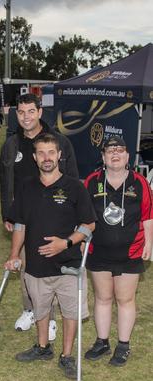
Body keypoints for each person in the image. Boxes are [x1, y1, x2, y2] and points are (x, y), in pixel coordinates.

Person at [6, 132, 96, 380]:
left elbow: (89, 225)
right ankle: (42, 347)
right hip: (36, 264)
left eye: (51, 152)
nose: (47, 157)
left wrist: (65, 243)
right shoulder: (26, 186)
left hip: (69, 265)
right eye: (41, 153)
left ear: (59, 155)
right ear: (35, 157)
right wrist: (14, 254)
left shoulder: (75, 186)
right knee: (40, 307)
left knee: (70, 312)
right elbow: (20, 225)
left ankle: (67, 356)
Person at [0, 93, 79, 339]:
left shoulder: (60, 142)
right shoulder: (11, 144)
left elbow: (73, 179)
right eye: (21, 112)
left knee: (52, 267)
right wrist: (8, 215)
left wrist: (72, 215)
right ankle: (30, 309)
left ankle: (51, 318)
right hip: (24, 218)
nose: (26, 117)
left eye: (30, 111)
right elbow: (6, 182)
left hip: (56, 215)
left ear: (39, 112)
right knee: (26, 267)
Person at [83, 136, 153, 366]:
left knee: (125, 299)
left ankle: (123, 346)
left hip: (130, 252)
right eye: (110, 150)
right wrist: (81, 239)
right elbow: (82, 216)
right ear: (103, 156)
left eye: (120, 150)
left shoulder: (139, 182)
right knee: (102, 298)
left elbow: (147, 217)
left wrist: (149, 243)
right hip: (98, 251)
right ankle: (102, 342)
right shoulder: (92, 182)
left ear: (127, 156)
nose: (115, 154)